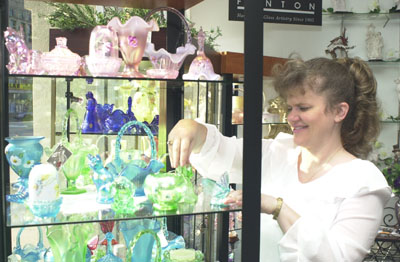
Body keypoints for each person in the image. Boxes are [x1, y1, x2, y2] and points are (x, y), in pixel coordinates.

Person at [167, 57, 391, 261]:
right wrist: (191, 128)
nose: (291, 117)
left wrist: (277, 207)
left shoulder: (364, 181)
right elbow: (222, 151)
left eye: (303, 108)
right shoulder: (279, 151)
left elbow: (337, 257)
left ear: (340, 112)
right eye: (289, 107)